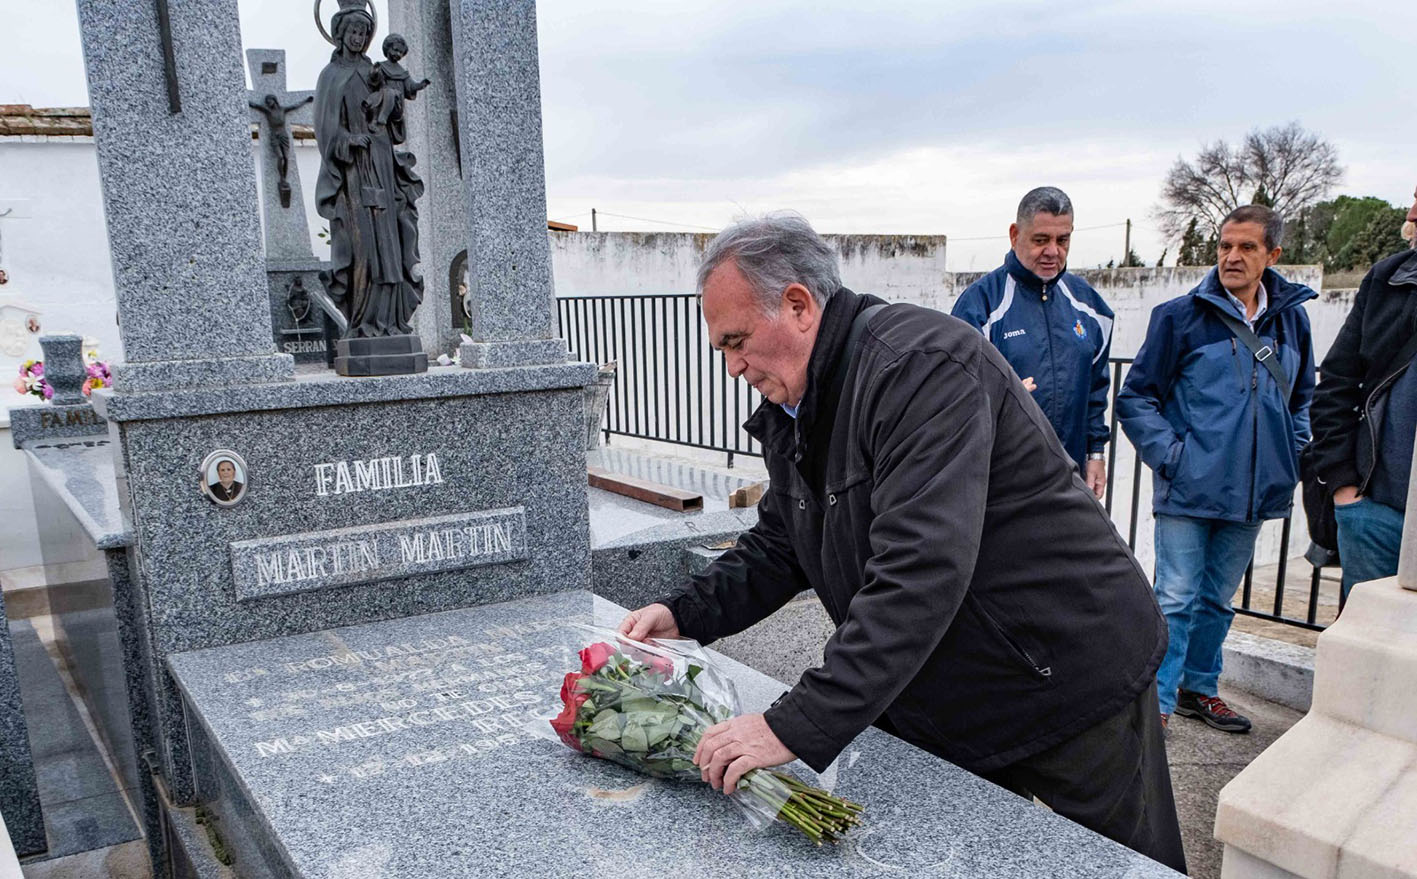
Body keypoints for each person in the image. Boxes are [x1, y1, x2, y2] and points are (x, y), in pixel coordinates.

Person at [618, 214, 1186, 872]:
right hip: (955, 694)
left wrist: (792, 722)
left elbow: (920, 569)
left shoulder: (918, 367)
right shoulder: (799, 404)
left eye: (737, 341)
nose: (732, 366)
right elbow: (783, 542)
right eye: (721, 348)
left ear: (798, 305)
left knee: (1127, 867)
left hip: (1066, 672)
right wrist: (683, 614)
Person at [1118, 205, 1315, 733]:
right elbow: (1136, 398)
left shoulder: (1292, 318)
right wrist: (1174, 458)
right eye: (1225, 246)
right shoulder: (1179, 317)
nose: (1232, 256)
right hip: (1189, 488)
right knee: (1176, 597)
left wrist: (1288, 453)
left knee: (1217, 602)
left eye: (1246, 247)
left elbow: (1303, 399)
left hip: (1254, 491)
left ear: (1272, 255)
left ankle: (1199, 690)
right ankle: (1155, 703)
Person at [952, 187, 1115, 497]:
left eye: (1062, 240)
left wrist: (1096, 454)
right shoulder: (980, 305)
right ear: (1015, 235)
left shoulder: (1092, 308)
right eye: (1041, 240)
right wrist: (1002, 397)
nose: (1052, 251)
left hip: (1070, 481)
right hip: (1001, 485)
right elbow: (956, 395)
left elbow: (1097, 389)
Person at [1308, 186, 1417, 598]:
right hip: (1376, 515)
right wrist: (1345, 491)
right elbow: (1337, 381)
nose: (1411, 212)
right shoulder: (1388, 279)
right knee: (1365, 653)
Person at [313, 6, 426, 337]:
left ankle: (391, 321)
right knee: (363, 246)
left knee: (389, 242)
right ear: (340, 34)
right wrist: (349, 139)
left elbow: (394, 123)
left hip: (382, 164)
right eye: (353, 32)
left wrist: (392, 102)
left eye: (364, 33)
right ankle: (363, 322)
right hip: (353, 173)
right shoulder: (330, 76)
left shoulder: (375, 71)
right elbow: (324, 130)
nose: (359, 39)